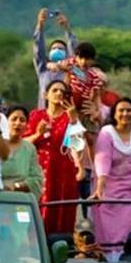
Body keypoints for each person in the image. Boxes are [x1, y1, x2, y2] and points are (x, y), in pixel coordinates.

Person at [90, 98, 131, 261]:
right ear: (115, 114)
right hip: (107, 187)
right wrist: (99, 190)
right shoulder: (106, 132)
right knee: (109, 230)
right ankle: (110, 261)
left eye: (129, 110)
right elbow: (103, 161)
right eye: (121, 110)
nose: (125, 114)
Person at [27, 80, 86, 234]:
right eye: (55, 90)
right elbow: (23, 143)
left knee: (61, 208)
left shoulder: (69, 117)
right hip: (39, 168)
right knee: (38, 206)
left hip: (63, 169)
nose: (59, 93)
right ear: (46, 94)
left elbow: (77, 146)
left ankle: (60, 246)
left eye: (63, 91)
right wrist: (38, 133)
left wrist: (74, 120)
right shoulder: (36, 115)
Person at [32, 8, 78, 108]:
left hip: (65, 113)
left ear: (66, 54)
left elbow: (82, 75)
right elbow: (38, 49)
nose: (57, 49)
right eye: (54, 48)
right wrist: (40, 25)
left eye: (61, 48)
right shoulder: (43, 69)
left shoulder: (71, 69)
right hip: (44, 112)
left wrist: (66, 27)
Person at [1, 106, 45, 196]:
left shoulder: (29, 148)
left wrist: (16, 187)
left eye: (22, 120)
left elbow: (37, 179)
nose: (18, 123)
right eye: (14, 119)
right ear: (5, 122)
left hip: (20, 198)